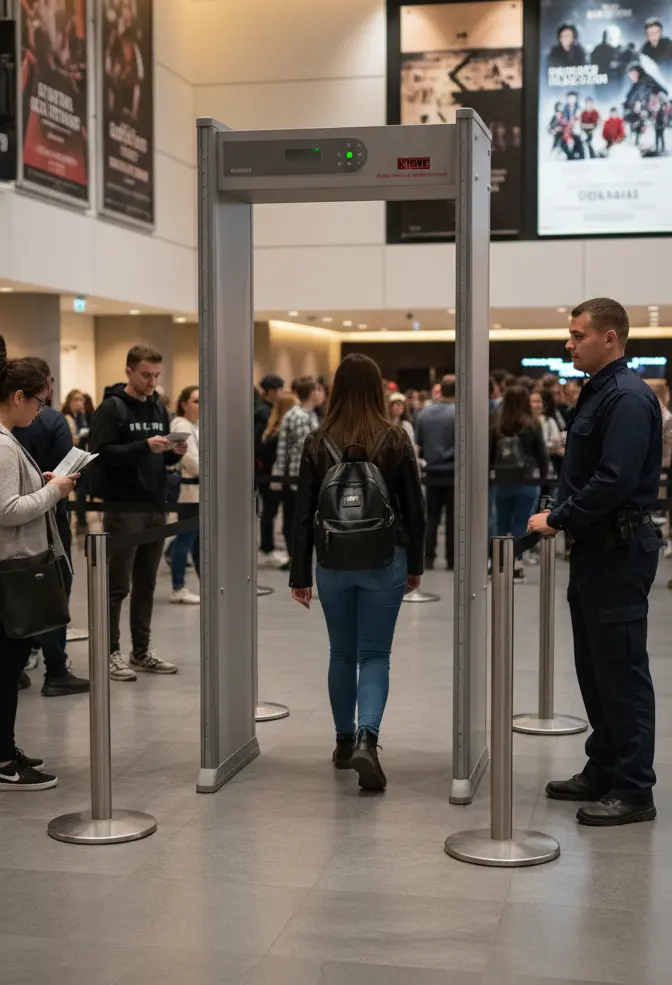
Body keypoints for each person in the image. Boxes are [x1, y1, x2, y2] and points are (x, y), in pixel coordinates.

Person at [529, 298, 662, 826]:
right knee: (594, 666)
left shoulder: (627, 398)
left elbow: (615, 480)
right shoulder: (599, 392)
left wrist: (558, 518)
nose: (569, 343)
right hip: (595, 551)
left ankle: (634, 789)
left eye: (578, 335)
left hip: (618, 551)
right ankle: (604, 764)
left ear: (610, 338)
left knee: (622, 670)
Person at [289, 354, 425, 791]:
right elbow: (414, 508)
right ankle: (369, 736)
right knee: (375, 655)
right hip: (385, 558)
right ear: (378, 390)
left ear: (336, 390)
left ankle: (344, 742)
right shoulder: (396, 438)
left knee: (341, 655)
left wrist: (299, 573)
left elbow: (302, 512)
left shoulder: (317, 440)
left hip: (332, 560)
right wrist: (417, 564)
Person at [0, 338, 78, 789]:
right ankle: (3, 759)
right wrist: (54, 491)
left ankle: (5, 748)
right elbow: (7, 509)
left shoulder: (11, 442)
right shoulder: (6, 444)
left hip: (12, 563)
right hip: (10, 568)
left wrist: (44, 482)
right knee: (7, 668)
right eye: (38, 403)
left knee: (9, 667)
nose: (39, 413)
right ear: (18, 397)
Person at [89, 345, 188, 682]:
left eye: (156, 375)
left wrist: (174, 453)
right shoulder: (111, 408)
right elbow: (100, 455)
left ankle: (141, 650)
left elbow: (160, 460)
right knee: (118, 585)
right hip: (123, 506)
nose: (152, 382)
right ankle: (110, 651)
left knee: (146, 583)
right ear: (129, 371)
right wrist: (143, 446)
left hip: (155, 505)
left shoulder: (159, 406)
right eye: (146, 375)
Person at [14, 360, 89, 698]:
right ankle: (55, 668)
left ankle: (18, 665)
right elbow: (64, 468)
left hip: (22, 531)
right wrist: (55, 487)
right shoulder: (50, 420)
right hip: (45, 520)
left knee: (18, 596)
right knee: (54, 591)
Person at [491, 385, 548, 582]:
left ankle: (498, 563)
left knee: (501, 523)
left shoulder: (498, 425)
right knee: (521, 523)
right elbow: (541, 454)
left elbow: (490, 455)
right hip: (527, 480)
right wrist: (544, 476)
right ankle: (516, 564)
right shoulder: (532, 424)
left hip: (502, 480)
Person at [271, 376, 323, 568]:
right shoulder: (299, 416)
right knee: (294, 518)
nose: (322, 394)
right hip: (296, 476)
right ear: (311, 393)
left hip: (301, 476)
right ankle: (295, 557)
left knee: (298, 517)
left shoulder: (309, 414)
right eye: (319, 390)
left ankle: (299, 555)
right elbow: (305, 449)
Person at [415, 376, 456, 571]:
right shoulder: (459, 413)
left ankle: (428, 557)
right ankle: (452, 558)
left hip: (431, 472)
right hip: (454, 472)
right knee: (453, 519)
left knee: (431, 517)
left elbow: (419, 443)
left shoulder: (425, 413)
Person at [169, 386, 200, 605]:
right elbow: (192, 461)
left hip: (200, 493)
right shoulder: (181, 425)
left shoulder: (196, 425)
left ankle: (204, 583)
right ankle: (178, 587)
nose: (201, 405)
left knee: (197, 542)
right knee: (185, 540)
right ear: (185, 404)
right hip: (189, 493)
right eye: (196, 401)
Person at [254, 374, 285, 567]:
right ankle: (267, 548)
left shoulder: (267, 409)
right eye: (276, 391)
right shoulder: (263, 411)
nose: (279, 394)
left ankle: (268, 546)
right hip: (264, 468)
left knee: (270, 509)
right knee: (269, 509)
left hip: (266, 467)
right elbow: (261, 443)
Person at [62, 388, 92, 533]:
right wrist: (82, 436)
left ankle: (82, 518)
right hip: (71, 459)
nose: (80, 403)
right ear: (69, 401)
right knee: (79, 491)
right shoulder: (66, 418)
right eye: (77, 399)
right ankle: (80, 519)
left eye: (82, 400)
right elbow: (71, 439)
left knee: (83, 489)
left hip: (81, 457)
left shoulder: (81, 416)